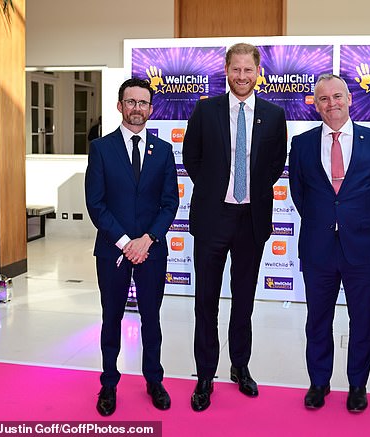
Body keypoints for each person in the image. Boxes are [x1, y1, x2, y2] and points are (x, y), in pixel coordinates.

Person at [182, 42, 287, 412]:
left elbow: (275, 164)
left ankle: (239, 366)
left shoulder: (274, 116)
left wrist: (249, 193)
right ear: (226, 70)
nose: (242, 77)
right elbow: (191, 157)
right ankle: (205, 375)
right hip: (213, 218)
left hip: (251, 220)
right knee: (206, 301)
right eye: (236, 69)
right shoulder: (205, 110)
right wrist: (216, 191)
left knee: (243, 301)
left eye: (248, 70)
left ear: (258, 72)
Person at [289, 74, 370, 413]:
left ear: (350, 99)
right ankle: (319, 383)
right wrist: (327, 222)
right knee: (317, 319)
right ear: (315, 105)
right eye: (323, 99)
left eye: (337, 96)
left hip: (362, 247)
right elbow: (300, 195)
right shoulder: (302, 144)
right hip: (318, 247)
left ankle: (357, 385)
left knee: (362, 320)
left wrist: (354, 221)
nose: (331, 103)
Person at [85, 78, 179, 416]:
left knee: (151, 319)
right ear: (120, 105)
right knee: (111, 318)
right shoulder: (101, 148)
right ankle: (108, 384)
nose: (137, 108)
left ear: (151, 109)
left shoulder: (164, 150)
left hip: (152, 250)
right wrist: (126, 243)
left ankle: (154, 380)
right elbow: (95, 204)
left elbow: (170, 203)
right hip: (113, 251)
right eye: (131, 101)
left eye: (143, 102)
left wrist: (148, 240)